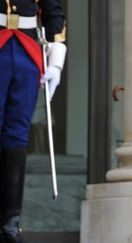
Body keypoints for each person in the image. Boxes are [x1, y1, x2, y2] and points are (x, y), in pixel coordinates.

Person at [0, 1, 66, 242]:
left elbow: (52, 9)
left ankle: (11, 222)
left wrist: (56, 60)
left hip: (27, 48)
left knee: (17, 134)